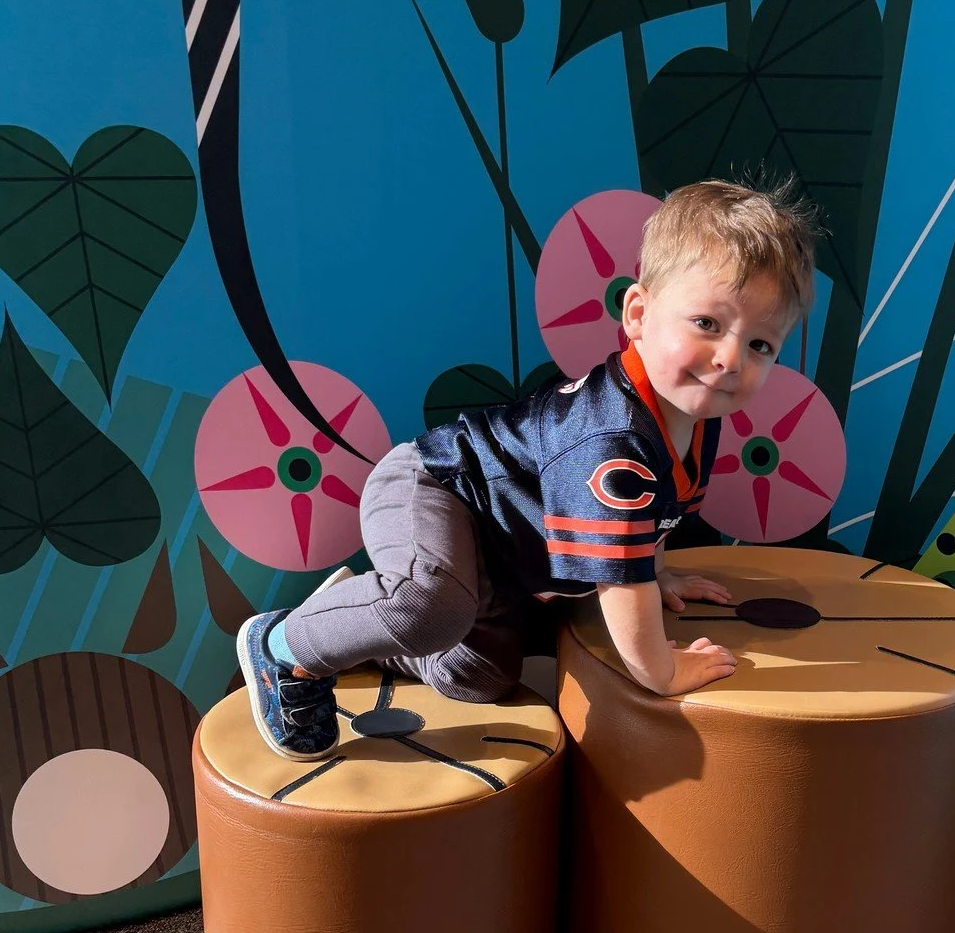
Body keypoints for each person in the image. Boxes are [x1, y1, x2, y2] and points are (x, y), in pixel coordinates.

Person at [237, 178, 820, 760]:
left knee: (478, 679)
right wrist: (661, 672)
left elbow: (649, 522)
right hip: (435, 485)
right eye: (707, 324)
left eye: (760, 346)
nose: (729, 360)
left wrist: (659, 573)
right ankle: (286, 642)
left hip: (496, 564)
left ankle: (359, 622)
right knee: (428, 604)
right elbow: (620, 576)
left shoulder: (692, 415)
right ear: (638, 314)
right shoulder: (611, 438)